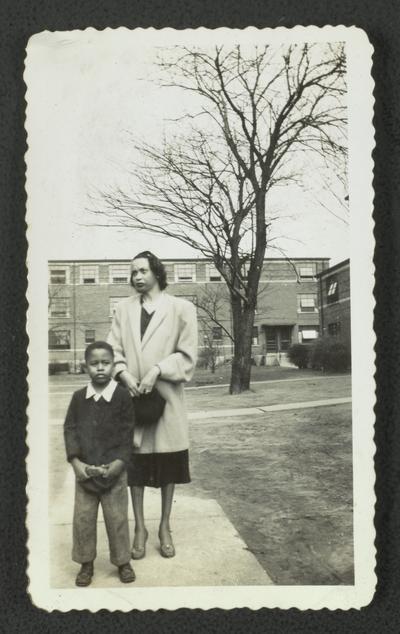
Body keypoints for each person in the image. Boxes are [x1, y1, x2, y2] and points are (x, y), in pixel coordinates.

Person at [107, 251, 198, 560]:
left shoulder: (182, 309)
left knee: (168, 466)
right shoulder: (123, 309)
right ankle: (140, 529)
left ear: (157, 273)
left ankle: (164, 526)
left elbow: (187, 357)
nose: (136, 277)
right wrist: (123, 374)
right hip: (132, 401)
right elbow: (112, 349)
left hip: (167, 403)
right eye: (132, 272)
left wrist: (158, 369)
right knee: (135, 469)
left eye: (142, 271)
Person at [64, 341, 136, 586]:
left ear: (113, 365)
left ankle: (123, 561)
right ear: (86, 367)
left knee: (117, 519)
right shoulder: (78, 398)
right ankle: (86, 564)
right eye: (94, 364)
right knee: (83, 520)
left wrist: (119, 462)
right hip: (85, 473)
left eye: (105, 363)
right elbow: (70, 429)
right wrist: (75, 462)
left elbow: (128, 433)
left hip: (114, 471)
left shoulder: (122, 396)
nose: (100, 368)